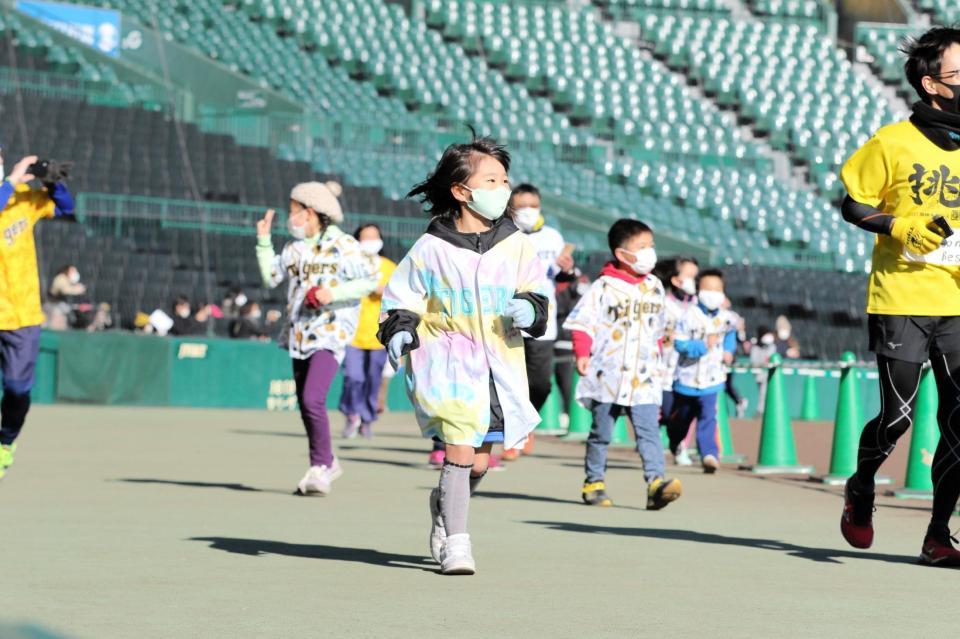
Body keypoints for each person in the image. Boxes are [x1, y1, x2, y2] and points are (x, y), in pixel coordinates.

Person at [377, 134, 547, 575]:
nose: (502, 189)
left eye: (504, 179)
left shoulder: (516, 244)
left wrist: (529, 307)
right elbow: (403, 299)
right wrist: (399, 330)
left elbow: (537, 292)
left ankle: (443, 505)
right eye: (491, 179)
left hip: (498, 363)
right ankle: (457, 542)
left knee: (480, 460)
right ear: (461, 190)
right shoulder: (431, 248)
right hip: (447, 364)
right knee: (459, 447)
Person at [837, 26, 960, 565]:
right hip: (902, 297)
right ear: (933, 85)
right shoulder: (892, 142)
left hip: (957, 301)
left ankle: (938, 535)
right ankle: (862, 486)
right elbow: (852, 204)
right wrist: (900, 227)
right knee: (898, 417)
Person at [255, 181, 376, 496]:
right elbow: (271, 277)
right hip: (298, 332)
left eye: (293, 211)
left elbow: (370, 280)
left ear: (310, 212)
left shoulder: (344, 245)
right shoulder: (294, 248)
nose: (290, 218)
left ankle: (320, 466)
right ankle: (327, 461)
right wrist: (264, 241)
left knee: (312, 398)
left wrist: (331, 293)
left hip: (330, 331)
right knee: (305, 403)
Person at [565, 219, 682, 509]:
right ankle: (594, 482)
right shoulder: (604, 286)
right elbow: (583, 322)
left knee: (648, 432)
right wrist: (582, 352)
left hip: (643, 376)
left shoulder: (654, 286)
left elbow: (658, 328)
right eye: (641, 247)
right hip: (609, 373)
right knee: (601, 432)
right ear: (621, 254)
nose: (649, 253)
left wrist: (659, 351)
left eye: (651, 247)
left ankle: (656, 483)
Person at [0, 153, 76, 480]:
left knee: (17, 390)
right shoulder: (10, 188)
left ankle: (5, 443)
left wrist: (52, 181)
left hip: (21, 315)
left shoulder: (21, 199)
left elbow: (66, 208)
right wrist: (13, 178)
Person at [500, 183, 575, 461]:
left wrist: (569, 268)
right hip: (508, 320)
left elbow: (562, 276)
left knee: (541, 383)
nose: (528, 211)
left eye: (533, 205)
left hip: (544, 322)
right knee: (510, 380)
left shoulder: (553, 237)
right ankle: (512, 435)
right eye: (521, 206)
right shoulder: (504, 235)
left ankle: (526, 422)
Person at [665, 269, 737, 474]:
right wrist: (703, 346)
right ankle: (675, 438)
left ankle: (709, 454)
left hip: (712, 379)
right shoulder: (688, 316)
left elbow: (730, 336)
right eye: (708, 289)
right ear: (698, 291)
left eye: (718, 289)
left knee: (708, 417)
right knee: (683, 418)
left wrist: (729, 352)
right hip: (686, 380)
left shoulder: (726, 318)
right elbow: (680, 344)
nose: (713, 293)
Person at [340, 223, 396, 439]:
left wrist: (384, 290)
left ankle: (367, 418)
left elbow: (398, 294)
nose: (371, 241)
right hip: (352, 332)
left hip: (379, 335)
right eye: (366, 237)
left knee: (373, 379)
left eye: (374, 236)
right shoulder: (349, 265)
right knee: (353, 377)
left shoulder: (389, 267)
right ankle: (351, 414)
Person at [655, 256, 699, 466]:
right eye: (689, 276)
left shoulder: (699, 307)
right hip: (664, 370)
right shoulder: (663, 304)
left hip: (690, 371)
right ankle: (657, 444)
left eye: (695, 276)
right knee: (664, 412)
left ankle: (679, 445)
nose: (693, 280)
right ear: (676, 280)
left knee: (686, 414)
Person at [553, 273, 588, 428]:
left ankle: (568, 413)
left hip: (567, 344)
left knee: (568, 383)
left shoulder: (576, 291)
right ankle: (563, 412)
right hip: (555, 343)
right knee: (558, 383)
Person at [750, 325, 777, 415]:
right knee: (763, 393)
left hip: (768, 374)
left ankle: (761, 411)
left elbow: (772, 359)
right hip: (759, 374)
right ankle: (761, 411)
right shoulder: (755, 347)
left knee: (764, 393)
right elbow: (754, 361)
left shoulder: (772, 346)